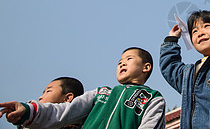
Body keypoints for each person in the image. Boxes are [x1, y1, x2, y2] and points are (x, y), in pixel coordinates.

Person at [0, 47, 166, 129]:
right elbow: (64, 112)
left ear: (146, 67)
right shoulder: (101, 94)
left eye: (129, 58)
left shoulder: (152, 98)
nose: (122, 62)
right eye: (119, 61)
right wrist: (28, 110)